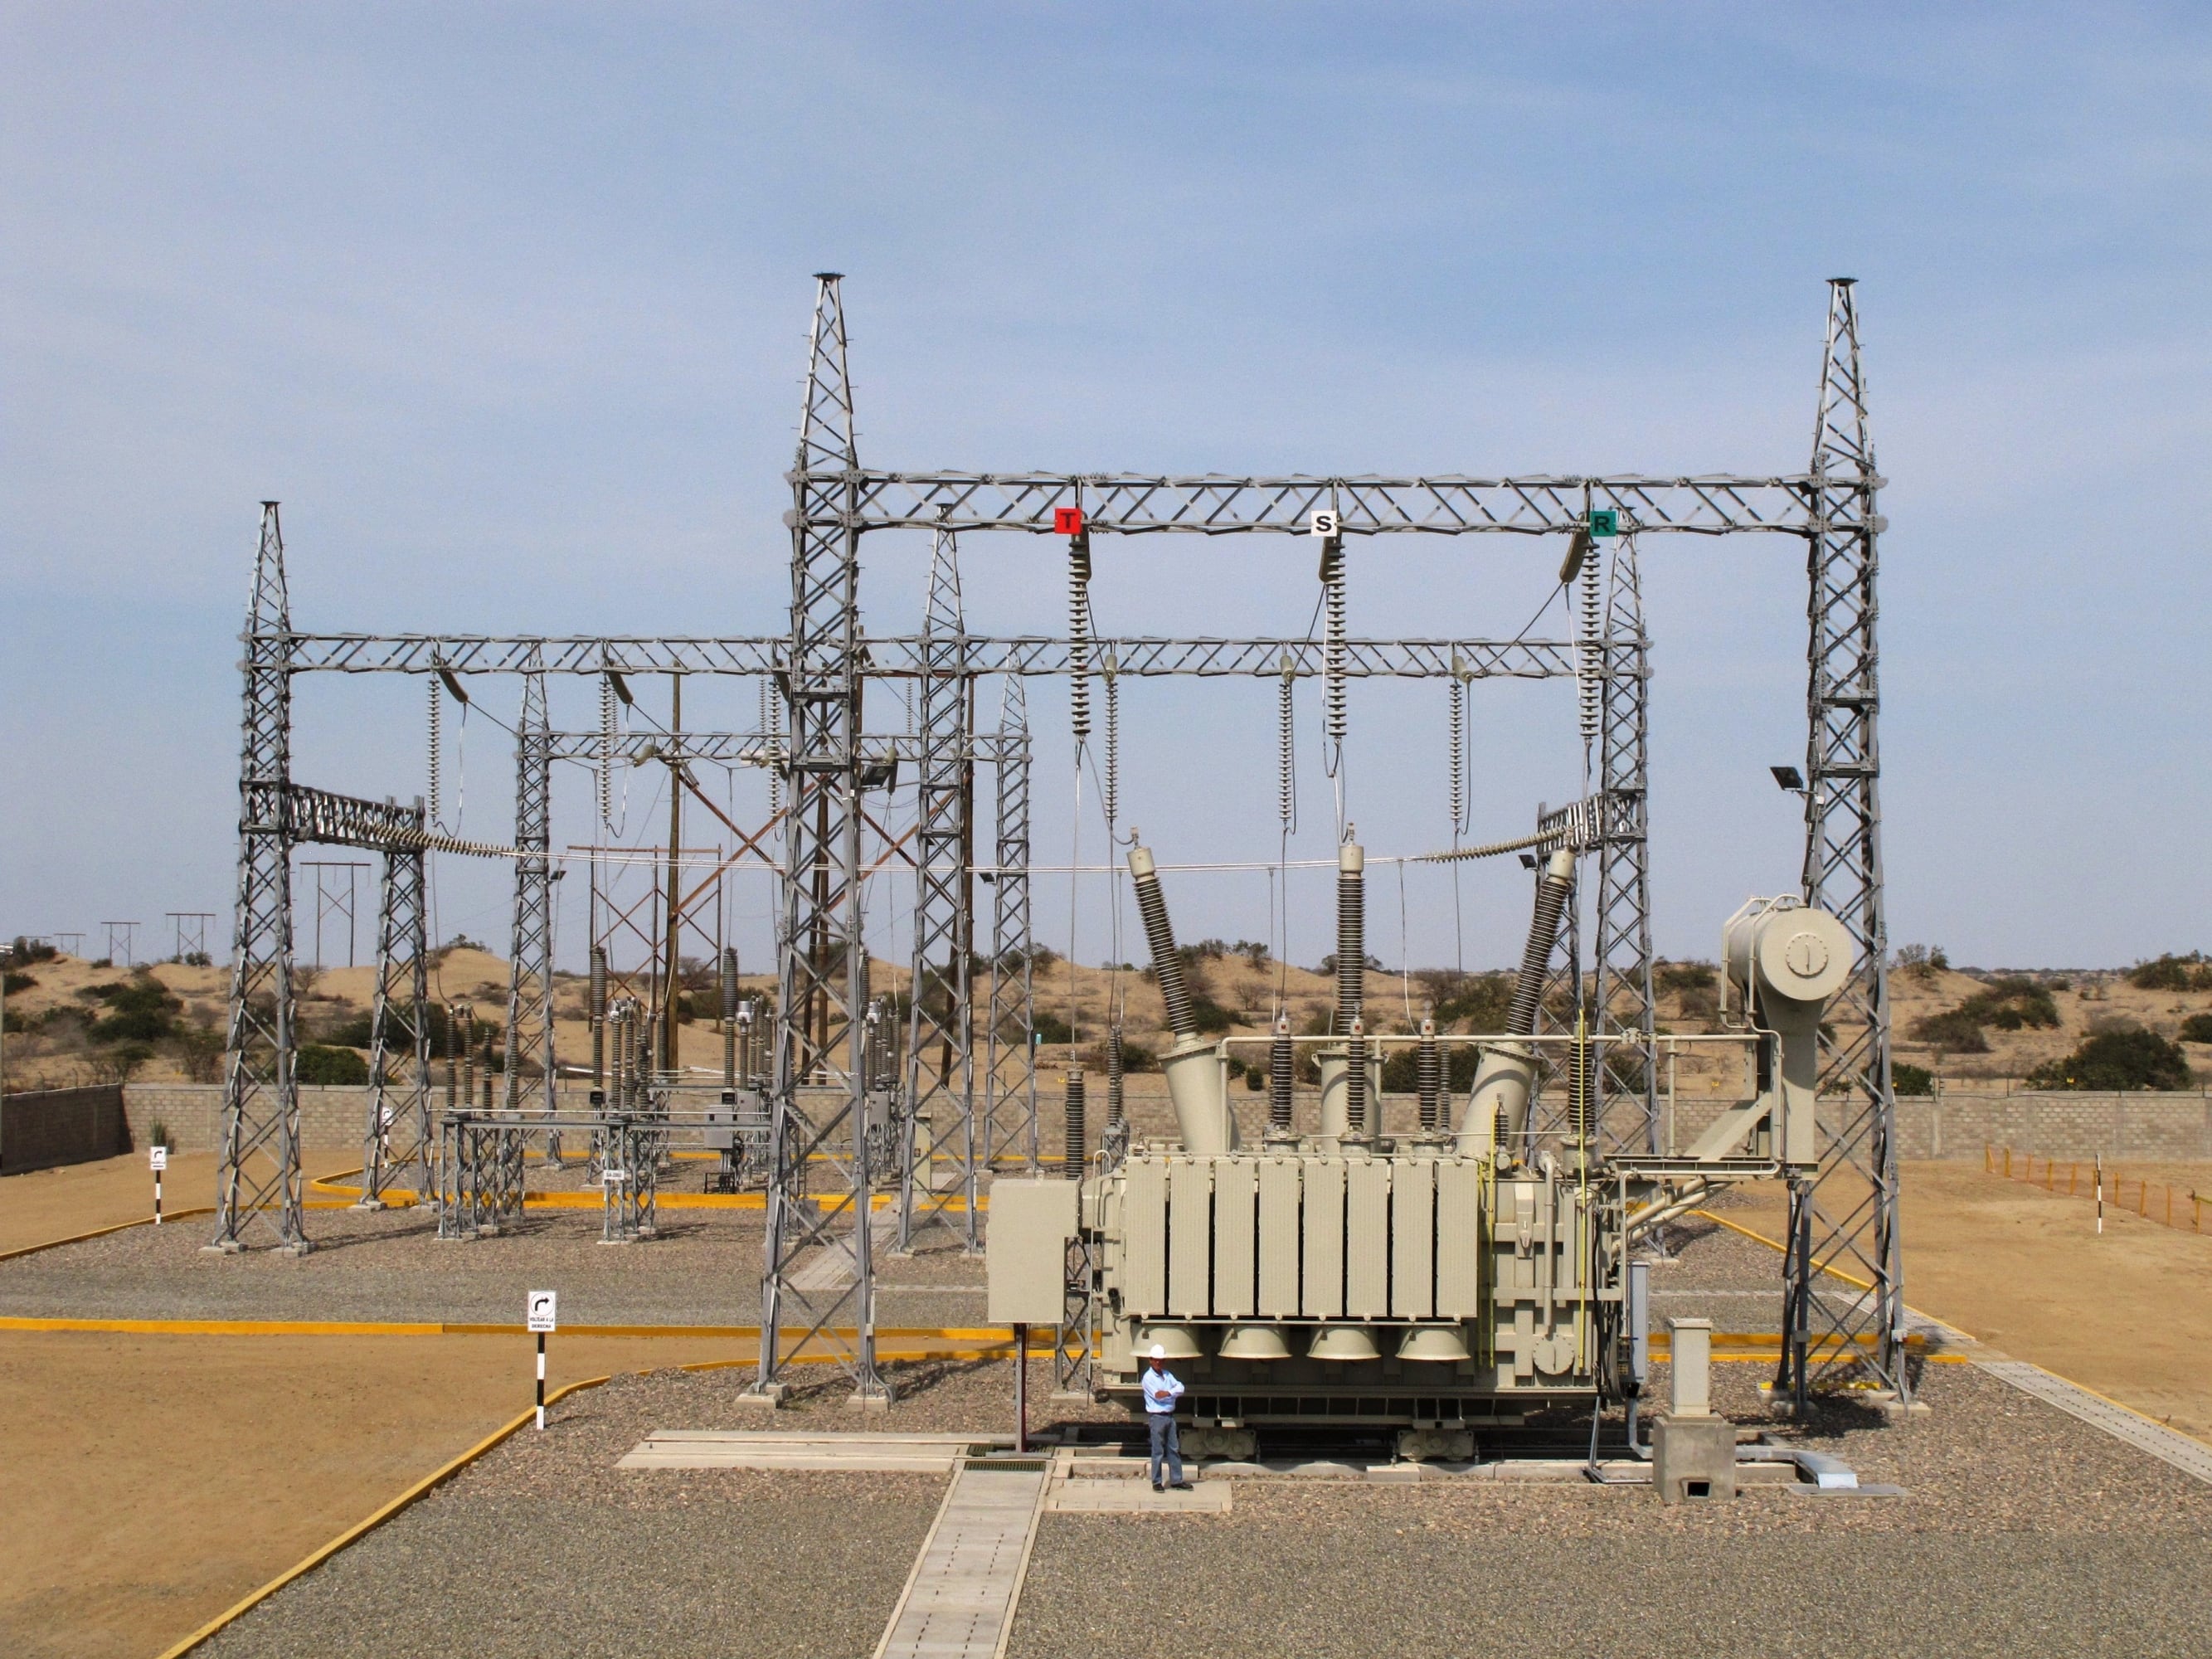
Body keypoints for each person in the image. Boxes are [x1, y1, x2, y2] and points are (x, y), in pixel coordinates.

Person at [1141, 1343, 1192, 1491]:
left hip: (1170, 1416)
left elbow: (1181, 1387)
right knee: (1158, 1451)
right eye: (1156, 1360)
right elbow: (1158, 1396)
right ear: (1150, 1360)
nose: (1158, 1362)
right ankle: (1156, 1482)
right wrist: (1172, 1393)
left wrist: (1168, 1393)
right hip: (1157, 1417)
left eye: (1161, 1360)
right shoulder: (1148, 1378)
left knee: (1173, 1449)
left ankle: (1176, 1480)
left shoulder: (1168, 1375)